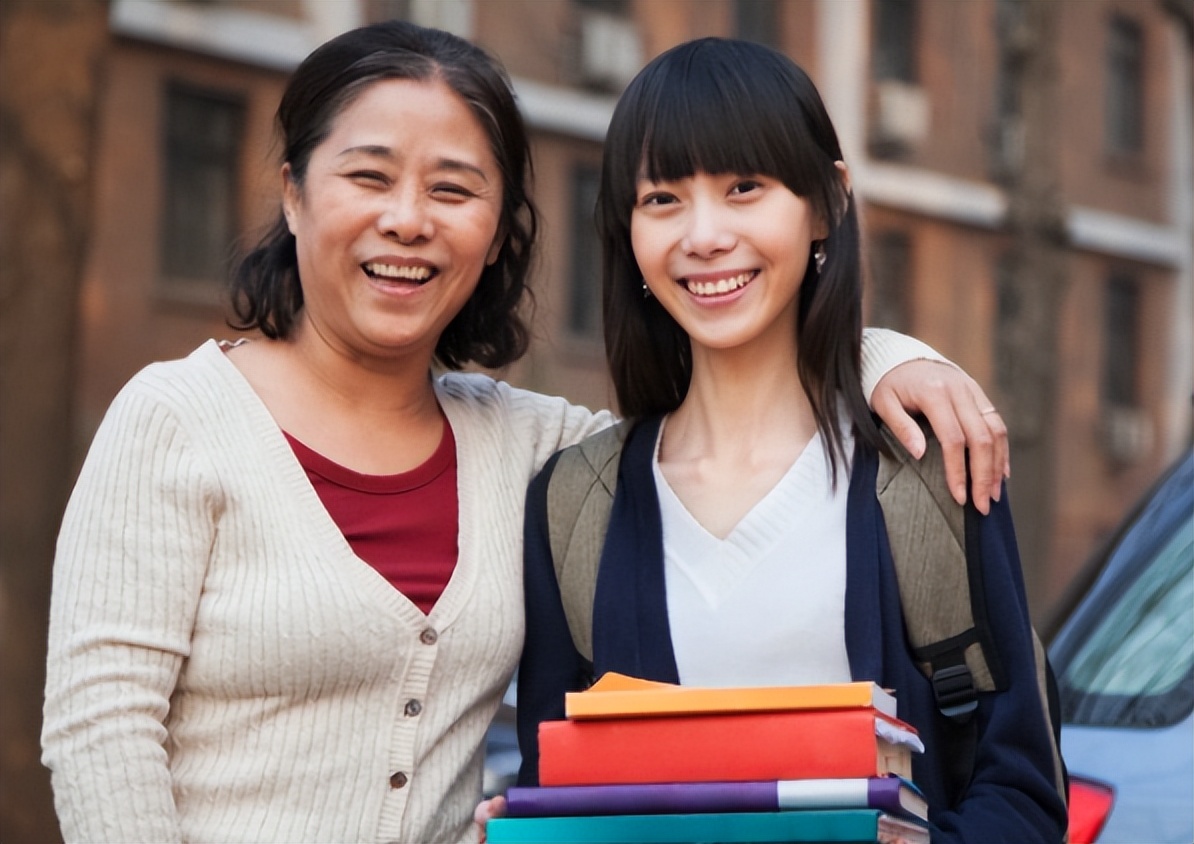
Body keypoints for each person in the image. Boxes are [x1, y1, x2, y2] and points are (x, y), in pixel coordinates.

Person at [42, 21, 1011, 844]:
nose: (409, 219)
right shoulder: (178, 419)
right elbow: (102, 734)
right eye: (368, 177)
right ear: (295, 193)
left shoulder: (537, 451)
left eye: (455, 190)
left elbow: (730, 405)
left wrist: (883, 355)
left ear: (502, 227)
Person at [513, 38, 1067, 844]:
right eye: (662, 199)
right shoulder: (573, 505)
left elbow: (1022, 788)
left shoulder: (927, 467)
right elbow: (557, 788)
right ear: (625, 231)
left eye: (745, 188)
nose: (703, 236)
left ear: (826, 203)